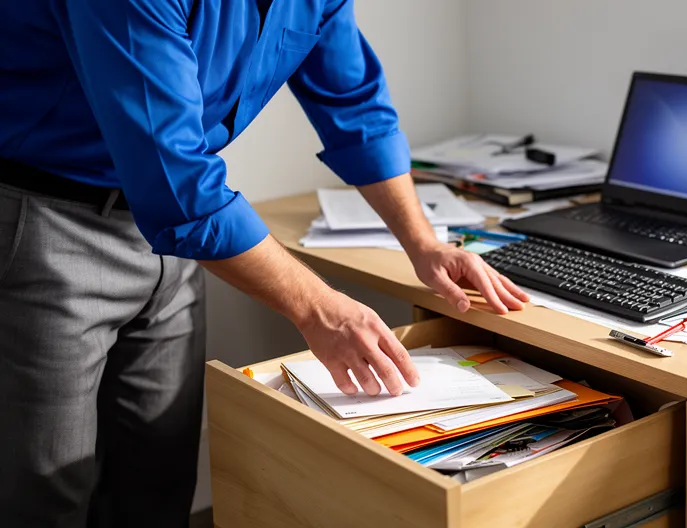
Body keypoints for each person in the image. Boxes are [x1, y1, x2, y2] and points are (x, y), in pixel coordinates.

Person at [0, 1, 529, 526]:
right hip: (46, 222)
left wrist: (424, 242)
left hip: (178, 240)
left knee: (157, 472)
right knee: (44, 488)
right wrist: (320, 307)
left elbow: (357, 110)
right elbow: (176, 179)